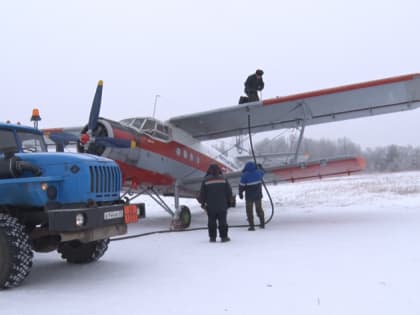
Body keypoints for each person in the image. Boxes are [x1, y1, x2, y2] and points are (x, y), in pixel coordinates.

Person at [198, 164, 233, 242]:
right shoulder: (224, 179)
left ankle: (212, 237)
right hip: (222, 205)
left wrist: (202, 202)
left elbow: (202, 194)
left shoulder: (205, 180)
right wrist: (229, 202)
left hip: (211, 206)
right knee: (223, 221)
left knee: (211, 222)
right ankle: (224, 237)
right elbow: (229, 192)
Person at [238, 161, 265, 231]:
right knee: (259, 209)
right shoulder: (259, 172)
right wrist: (260, 167)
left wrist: (240, 194)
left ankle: (252, 226)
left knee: (249, 211)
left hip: (249, 196)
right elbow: (263, 172)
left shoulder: (244, 175)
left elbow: (241, 186)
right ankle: (262, 223)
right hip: (258, 195)